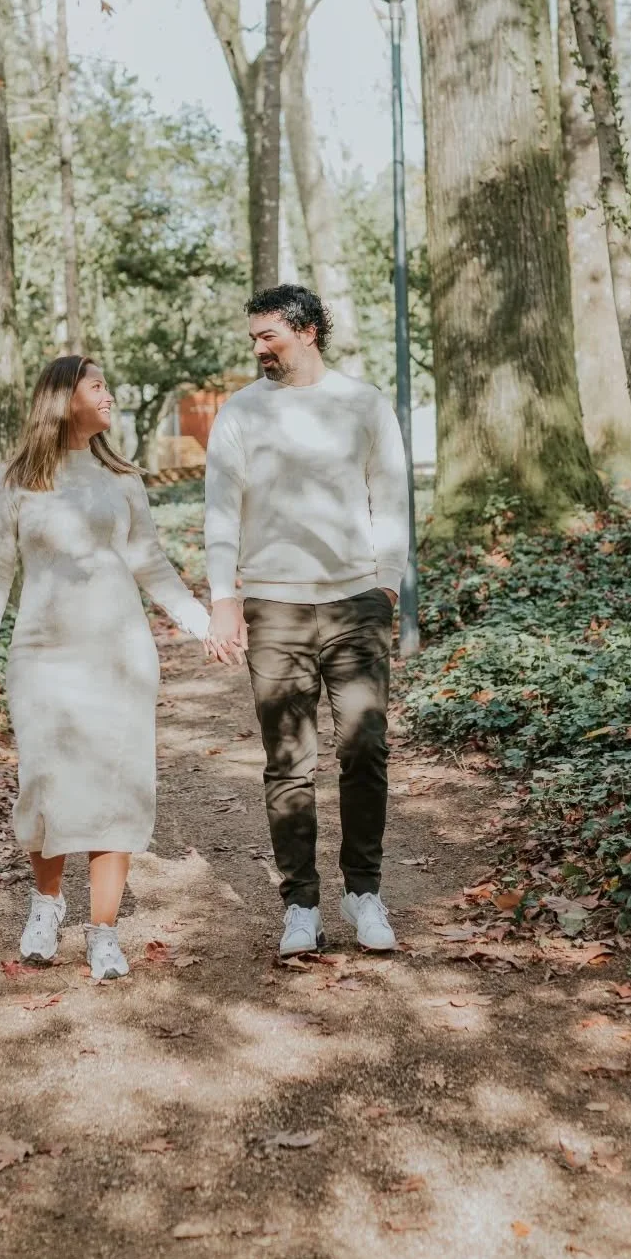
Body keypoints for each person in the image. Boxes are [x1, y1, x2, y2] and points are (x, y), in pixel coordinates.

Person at [0, 355, 212, 980]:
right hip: (42, 655)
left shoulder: (120, 475)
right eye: (96, 386)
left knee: (117, 784)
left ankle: (103, 932)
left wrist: (203, 623)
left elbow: (150, 561)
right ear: (62, 396)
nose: (109, 395)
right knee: (43, 783)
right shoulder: (16, 477)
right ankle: (46, 905)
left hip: (119, 653)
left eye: (107, 385)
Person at [205, 285, 409, 958]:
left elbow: (391, 494)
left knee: (365, 748)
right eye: (255, 339)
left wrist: (386, 582)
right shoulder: (239, 413)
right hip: (275, 605)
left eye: (269, 336)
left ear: (309, 331)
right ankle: (300, 905)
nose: (259, 349)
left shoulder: (362, 403)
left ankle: (364, 893)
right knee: (288, 761)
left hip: (355, 600)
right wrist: (223, 600)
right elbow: (220, 511)